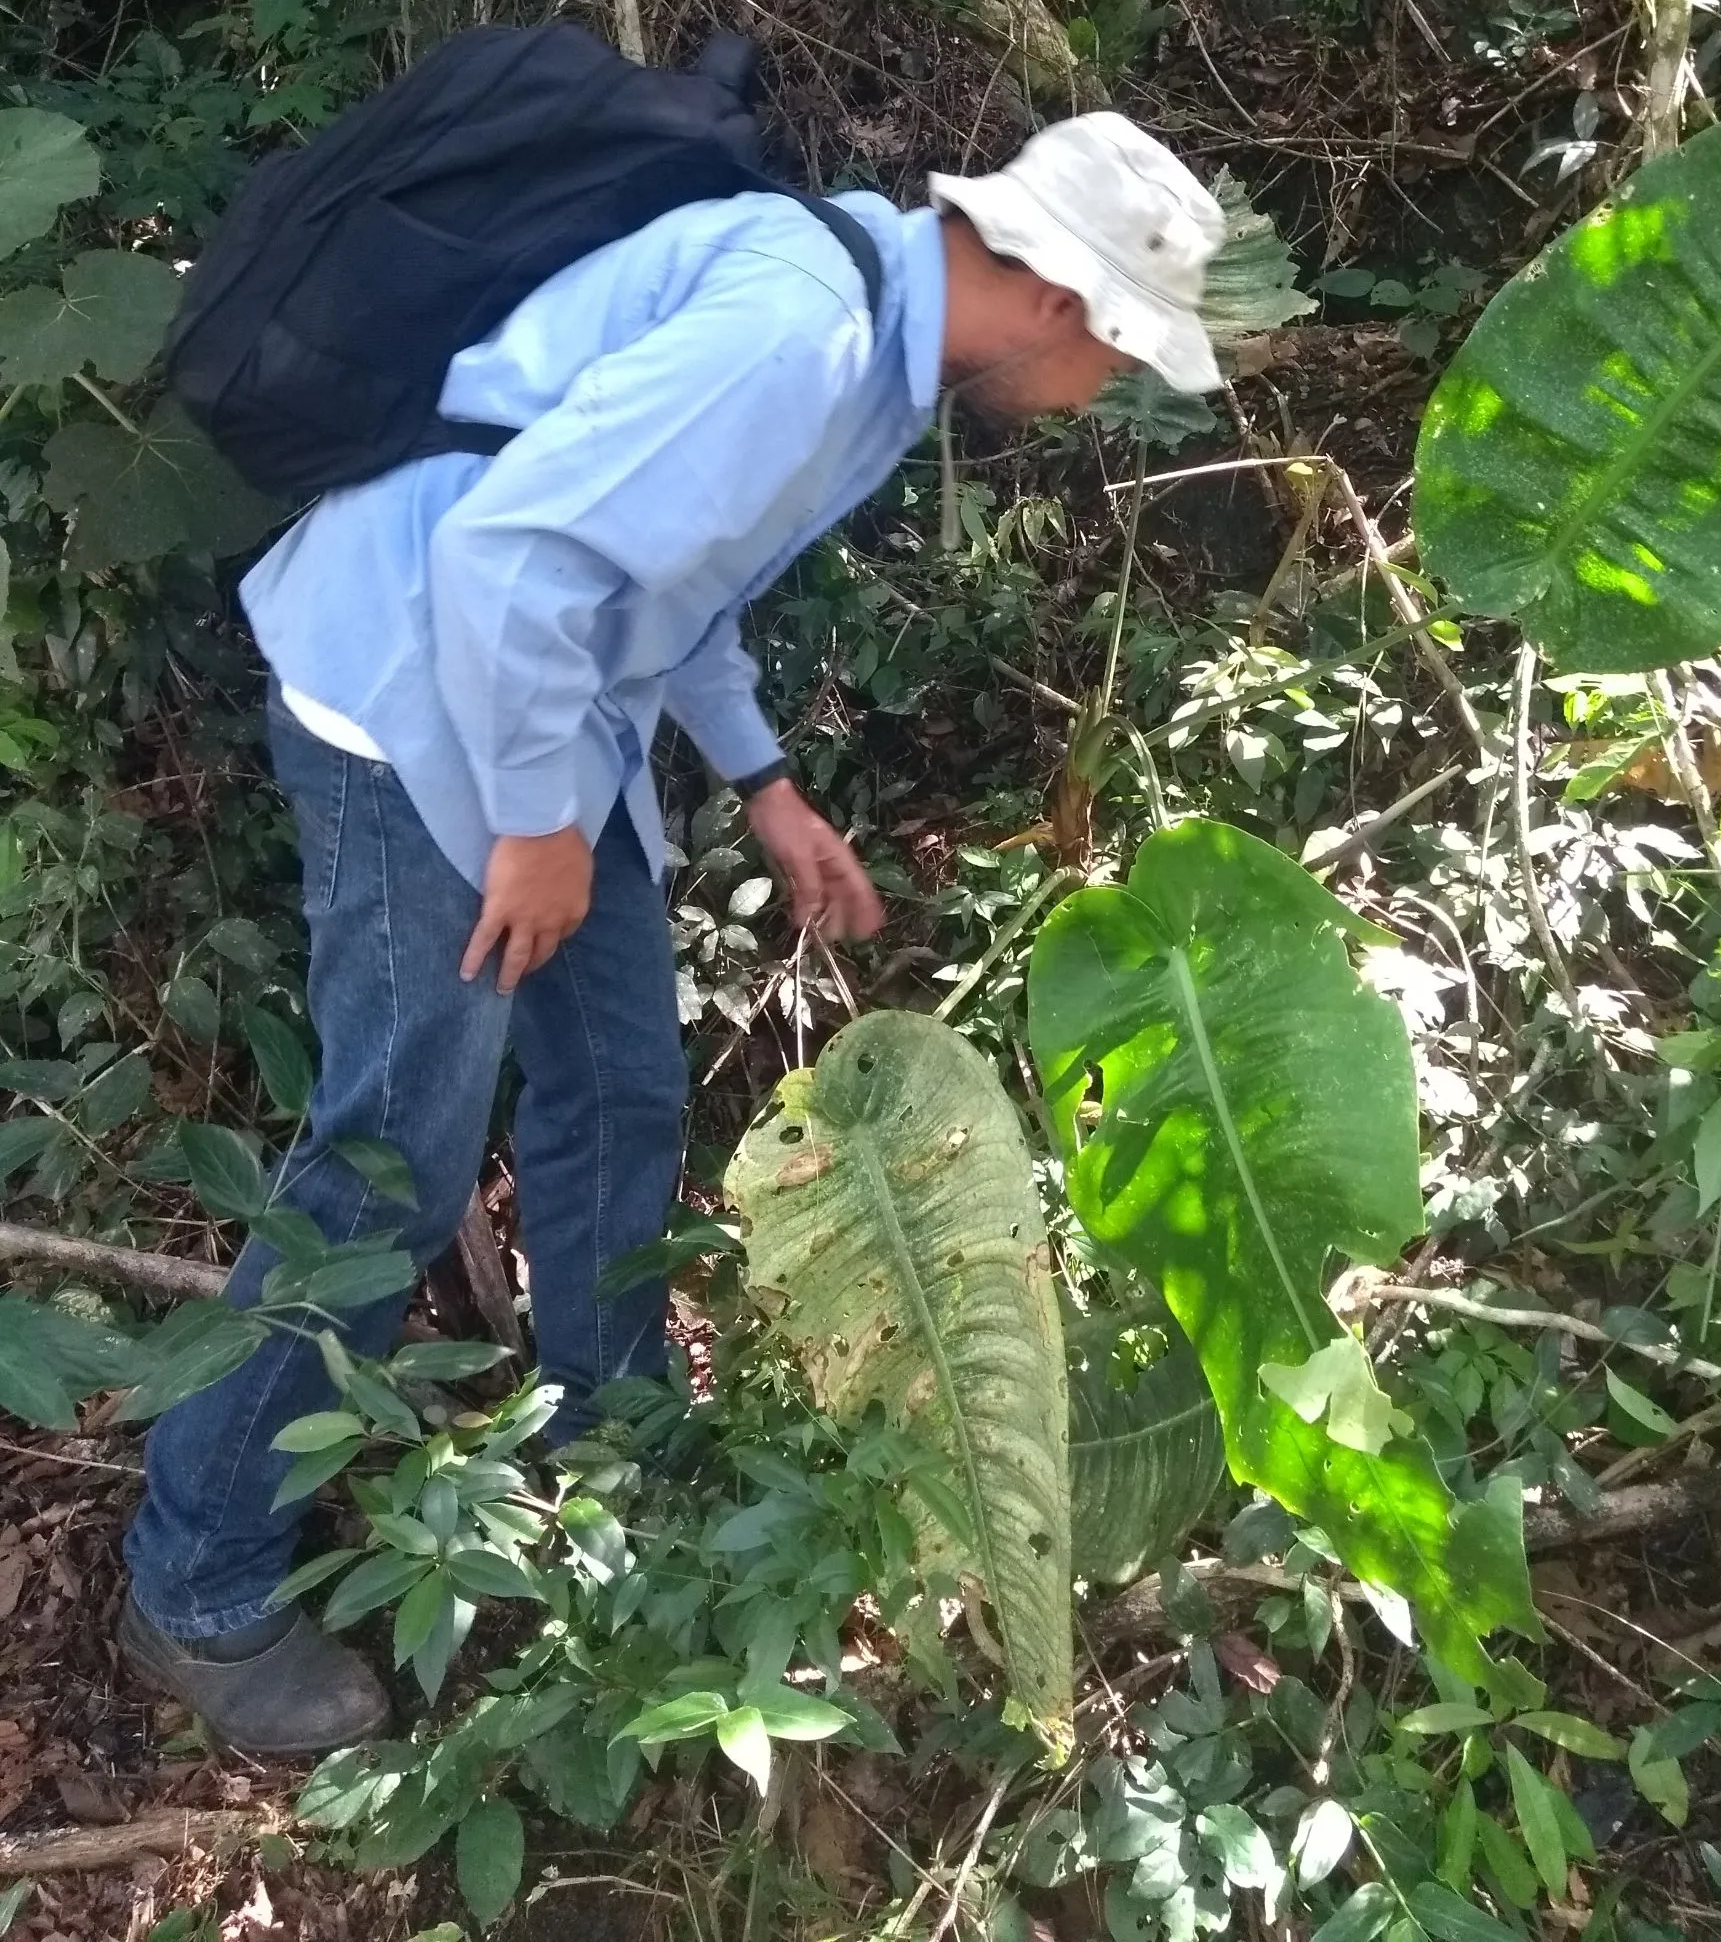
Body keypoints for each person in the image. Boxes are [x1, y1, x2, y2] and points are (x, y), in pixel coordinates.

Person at [119, 107, 1227, 1753]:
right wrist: (540, 830)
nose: (1102, 398)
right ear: (1068, 306)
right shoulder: (801, 330)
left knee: (624, 1081)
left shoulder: (870, 330)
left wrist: (767, 789)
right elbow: (512, 555)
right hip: (413, 697)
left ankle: (606, 1443)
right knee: (396, 1161)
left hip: (543, 719)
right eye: (1122, 366)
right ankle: (192, 1584)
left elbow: (674, 576)